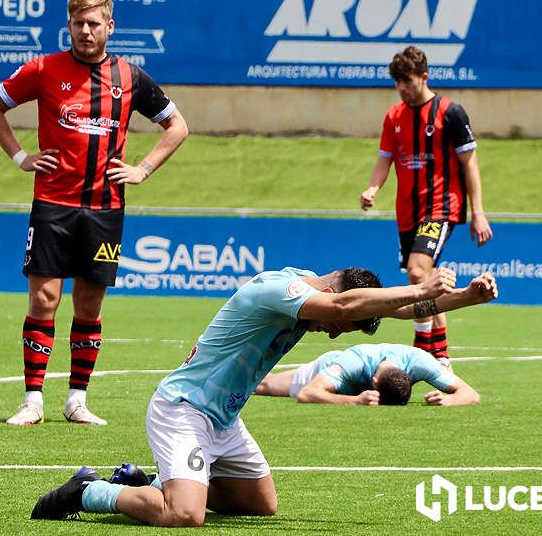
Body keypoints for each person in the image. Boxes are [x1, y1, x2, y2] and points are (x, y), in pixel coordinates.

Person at [29, 266, 498, 526]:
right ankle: (90, 491)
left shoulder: (321, 299)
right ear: (336, 287)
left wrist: (466, 299)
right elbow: (342, 306)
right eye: (341, 325)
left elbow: (393, 308)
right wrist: (419, 284)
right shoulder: (282, 288)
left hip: (224, 421)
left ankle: (146, 482)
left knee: (260, 505)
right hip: (184, 409)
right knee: (186, 515)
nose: (334, 335)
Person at [0, 0, 188, 426]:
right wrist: (21, 157)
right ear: (69, 26)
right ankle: (32, 400)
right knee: (44, 297)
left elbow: (177, 126)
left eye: (94, 24)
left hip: (105, 208)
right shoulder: (43, 69)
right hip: (52, 203)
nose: (86, 31)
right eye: (79, 24)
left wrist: (143, 169)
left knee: (89, 305)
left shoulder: (130, 76)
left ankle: (77, 399)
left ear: (109, 27)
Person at [359, 45, 493, 370]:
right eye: (397, 82)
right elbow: (384, 161)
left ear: (424, 77)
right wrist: (373, 188)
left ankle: (421, 350)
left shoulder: (451, 113)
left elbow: (470, 164)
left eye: (407, 81)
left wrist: (478, 212)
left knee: (418, 273)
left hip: (441, 206)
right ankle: (442, 357)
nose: (402, 88)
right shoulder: (393, 117)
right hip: (406, 212)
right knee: (427, 279)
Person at [254, 343, 479, 406]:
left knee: (264, 380)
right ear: (373, 382)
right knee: (262, 385)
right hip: (329, 368)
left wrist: (450, 400)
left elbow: (471, 393)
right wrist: (354, 400)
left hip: (344, 373)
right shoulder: (355, 361)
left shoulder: (420, 362)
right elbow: (307, 393)